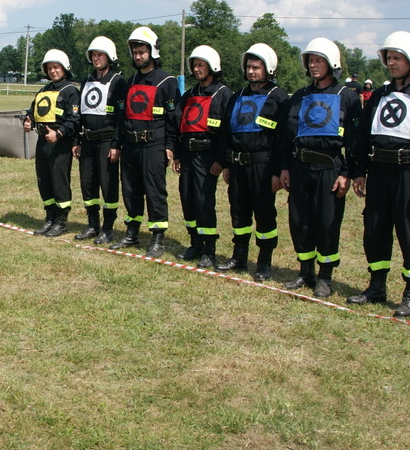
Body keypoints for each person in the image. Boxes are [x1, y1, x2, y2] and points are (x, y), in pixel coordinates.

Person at [349, 31, 410, 317]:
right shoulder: (380, 95)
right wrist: (359, 170)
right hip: (379, 172)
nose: (391, 63)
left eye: (397, 58)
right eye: (388, 58)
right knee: (375, 230)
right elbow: (364, 134)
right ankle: (376, 286)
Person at [278, 38, 362, 298]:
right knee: (299, 222)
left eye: (319, 61)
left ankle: (325, 277)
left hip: (329, 169)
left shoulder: (347, 97)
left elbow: (355, 142)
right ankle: (305, 272)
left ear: (331, 63)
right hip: (299, 167)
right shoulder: (299, 96)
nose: (313, 65)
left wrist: (346, 173)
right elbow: (286, 136)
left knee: (327, 224)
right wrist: (285, 167)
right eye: (310, 61)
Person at [214, 44, 289, 281]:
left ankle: (264, 263)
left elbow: (283, 139)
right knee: (239, 212)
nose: (251, 71)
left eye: (256, 67)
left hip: (263, 167)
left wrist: (277, 171)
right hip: (237, 166)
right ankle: (239, 256)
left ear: (268, 69)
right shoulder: (237, 96)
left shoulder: (278, 97)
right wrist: (226, 164)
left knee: (264, 214)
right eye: (248, 67)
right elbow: (226, 132)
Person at [110, 26, 180, 259]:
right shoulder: (129, 81)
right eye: (135, 52)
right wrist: (118, 143)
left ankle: (158, 237)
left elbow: (173, 118)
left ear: (152, 52)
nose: (138, 56)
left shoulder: (167, 81)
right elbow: (122, 117)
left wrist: (170, 146)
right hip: (131, 145)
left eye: (142, 52)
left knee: (154, 191)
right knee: (130, 190)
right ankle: (132, 232)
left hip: (154, 145)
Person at [172, 45, 231, 267]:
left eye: (201, 65)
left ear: (212, 67)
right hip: (187, 155)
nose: (197, 69)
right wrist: (177, 154)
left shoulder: (223, 94)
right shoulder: (188, 95)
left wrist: (221, 160)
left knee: (204, 201)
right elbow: (178, 126)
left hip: (208, 158)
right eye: (195, 65)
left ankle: (209, 249)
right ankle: (195, 243)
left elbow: (227, 132)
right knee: (187, 198)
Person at [72, 37, 127, 244]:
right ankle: (92, 224)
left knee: (108, 185)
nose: (96, 58)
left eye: (100, 55)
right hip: (87, 141)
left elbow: (121, 117)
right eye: (93, 55)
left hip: (107, 141)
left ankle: (108, 228)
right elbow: (80, 114)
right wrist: (77, 140)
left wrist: (116, 144)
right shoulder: (86, 80)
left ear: (109, 57)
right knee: (88, 184)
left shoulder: (118, 82)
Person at [23, 49, 80, 237]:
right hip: (42, 142)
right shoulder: (43, 90)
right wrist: (28, 121)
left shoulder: (71, 91)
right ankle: (50, 217)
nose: (53, 71)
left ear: (64, 68)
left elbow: (74, 120)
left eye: (56, 67)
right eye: (49, 68)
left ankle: (61, 221)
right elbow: (32, 112)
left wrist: (59, 133)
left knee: (59, 181)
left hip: (60, 143)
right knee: (44, 180)